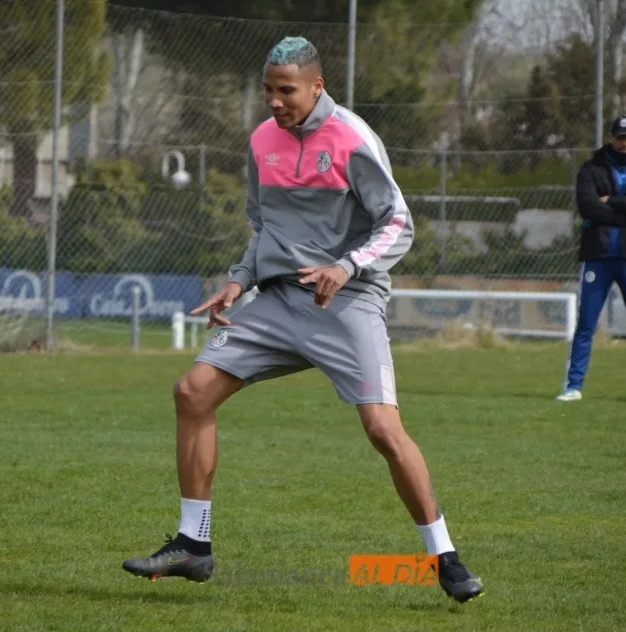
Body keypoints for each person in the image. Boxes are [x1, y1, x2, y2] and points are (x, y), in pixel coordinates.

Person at [122, 36, 484, 603]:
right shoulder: (262, 140)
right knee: (192, 392)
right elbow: (263, 226)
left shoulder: (352, 137)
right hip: (277, 302)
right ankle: (194, 545)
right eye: (267, 89)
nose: (273, 101)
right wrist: (239, 280)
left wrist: (346, 266)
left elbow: (398, 223)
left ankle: (445, 556)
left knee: (384, 431)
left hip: (346, 303)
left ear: (317, 86)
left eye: (285, 90)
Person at [557, 114, 626, 403]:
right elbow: (587, 207)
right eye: (620, 137)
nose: (625, 142)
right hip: (598, 256)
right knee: (586, 324)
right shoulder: (592, 167)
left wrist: (612, 202)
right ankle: (573, 386)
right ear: (611, 137)